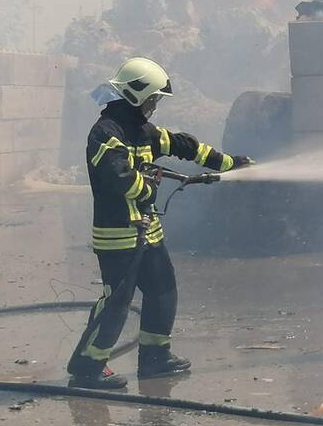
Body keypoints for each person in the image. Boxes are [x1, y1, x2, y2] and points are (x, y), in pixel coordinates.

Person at [66, 57, 253, 389]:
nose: (154, 105)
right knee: (118, 302)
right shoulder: (105, 132)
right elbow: (118, 176)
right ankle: (87, 366)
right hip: (118, 236)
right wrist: (148, 186)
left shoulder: (144, 131)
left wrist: (229, 163)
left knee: (163, 290)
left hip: (148, 231)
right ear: (136, 94)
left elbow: (184, 145)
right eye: (153, 98)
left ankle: (155, 358)